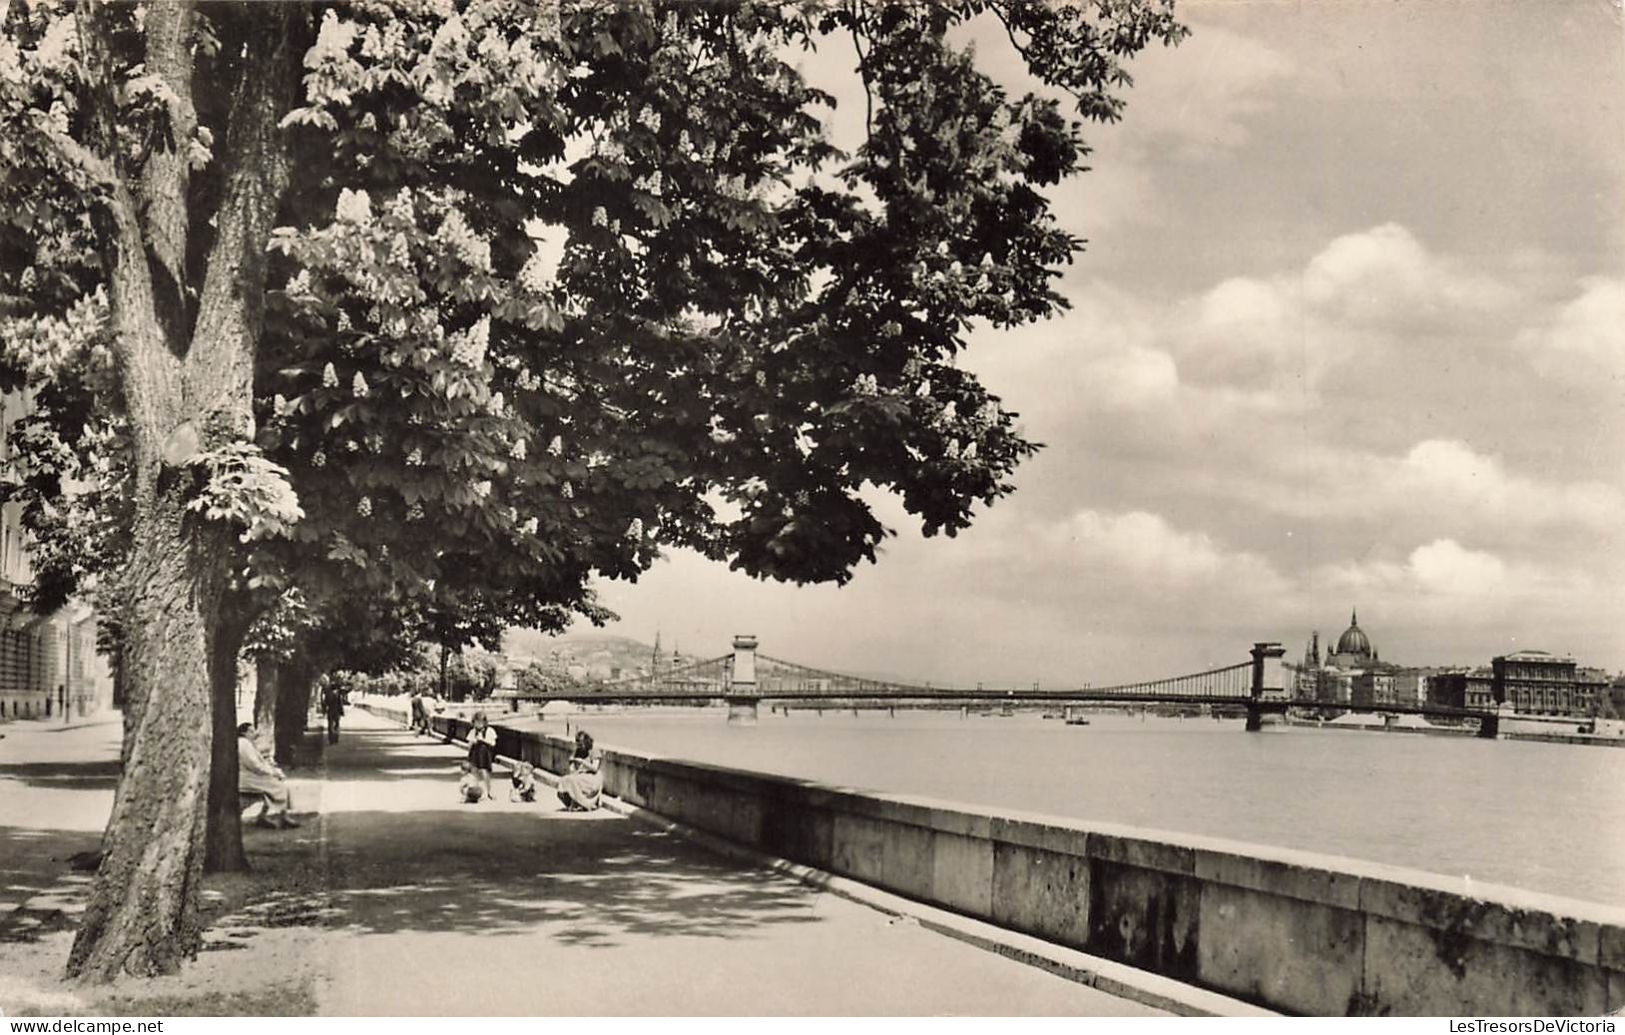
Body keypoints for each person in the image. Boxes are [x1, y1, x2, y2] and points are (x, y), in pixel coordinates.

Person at [237, 723, 300, 829]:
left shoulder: (246, 743)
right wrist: (272, 772)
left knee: (277, 782)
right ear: (244, 733)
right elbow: (254, 765)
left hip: (251, 775)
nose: (254, 734)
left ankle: (268, 816)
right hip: (248, 778)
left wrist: (272, 771)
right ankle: (282, 817)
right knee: (280, 786)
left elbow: (257, 763)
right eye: (251, 732)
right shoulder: (243, 744)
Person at [556, 730, 602, 812]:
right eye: (578, 744)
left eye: (581, 744)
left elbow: (595, 768)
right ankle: (574, 803)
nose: (579, 746)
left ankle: (581, 803)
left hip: (592, 777)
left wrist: (582, 762)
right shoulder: (577, 751)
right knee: (564, 780)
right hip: (580, 775)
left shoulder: (594, 751)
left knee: (574, 781)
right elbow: (572, 769)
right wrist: (572, 764)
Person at [467, 710, 497, 801]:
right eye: (476, 722)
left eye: (480, 722)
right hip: (475, 753)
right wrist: (473, 742)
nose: (478, 724)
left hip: (484, 753)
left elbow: (493, 743)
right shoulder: (473, 731)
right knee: (474, 772)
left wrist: (482, 740)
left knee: (485, 773)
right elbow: (469, 744)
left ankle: (488, 792)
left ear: (484, 722)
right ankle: (475, 792)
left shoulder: (489, 731)